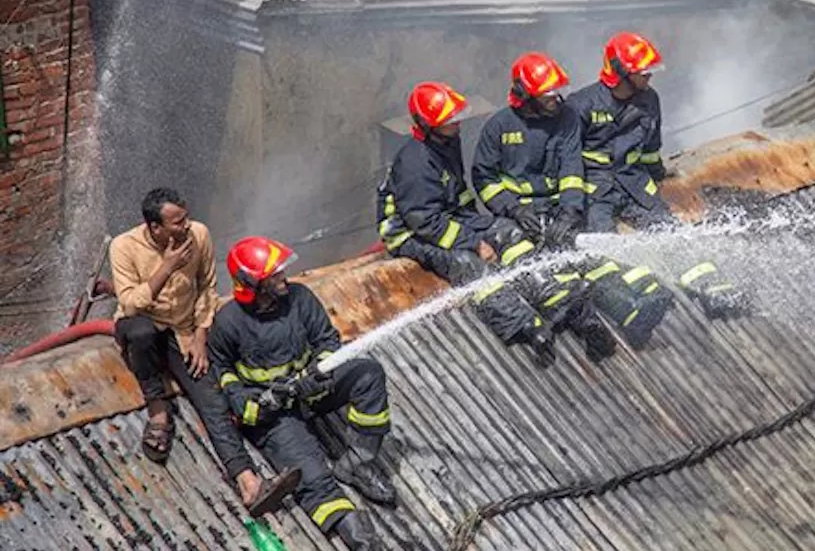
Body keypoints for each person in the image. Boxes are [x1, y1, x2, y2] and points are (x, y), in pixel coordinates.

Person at [108, 188, 298, 515]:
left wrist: (199, 334)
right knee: (138, 331)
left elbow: (207, 287)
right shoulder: (124, 247)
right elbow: (131, 303)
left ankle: (249, 484)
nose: (186, 225)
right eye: (177, 222)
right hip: (145, 326)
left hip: (183, 331)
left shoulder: (199, 234)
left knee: (213, 400)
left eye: (186, 217)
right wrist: (166, 266)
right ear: (156, 228)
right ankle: (159, 410)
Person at [472, 52, 674, 356]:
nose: (556, 97)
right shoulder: (498, 126)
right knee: (542, 270)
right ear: (527, 94)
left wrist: (569, 211)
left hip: (557, 209)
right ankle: (584, 322)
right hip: (517, 216)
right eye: (548, 93)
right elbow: (484, 179)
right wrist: (512, 208)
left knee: (589, 259)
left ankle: (630, 311)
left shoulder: (565, 118)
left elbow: (571, 168)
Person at [208, 236, 395, 551]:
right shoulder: (228, 324)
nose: (283, 277)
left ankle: (358, 462)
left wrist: (320, 373)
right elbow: (226, 380)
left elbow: (327, 341)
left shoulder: (300, 298)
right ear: (253, 283)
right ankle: (363, 542)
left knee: (367, 373)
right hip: (277, 415)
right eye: (275, 274)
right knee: (312, 477)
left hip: (312, 392)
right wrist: (260, 405)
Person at [567, 32, 750, 319]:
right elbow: (565, 159)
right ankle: (630, 304)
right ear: (621, 72)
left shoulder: (649, 100)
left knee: (669, 231)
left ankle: (713, 291)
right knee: (604, 245)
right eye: (643, 73)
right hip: (594, 189)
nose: (649, 78)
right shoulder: (581, 105)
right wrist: (570, 202)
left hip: (634, 182)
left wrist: (658, 177)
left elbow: (652, 149)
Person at [376, 80, 557, 365]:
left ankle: (540, 288)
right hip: (410, 234)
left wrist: (481, 224)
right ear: (427, 124)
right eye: (450, 120)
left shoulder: (446, 141)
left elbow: (457, 193)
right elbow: (425, 224)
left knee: (506, 230)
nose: (458, 123)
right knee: (465, 263)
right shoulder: (415, 164)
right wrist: (475, 242)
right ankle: (522, 324)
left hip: (449, 217)